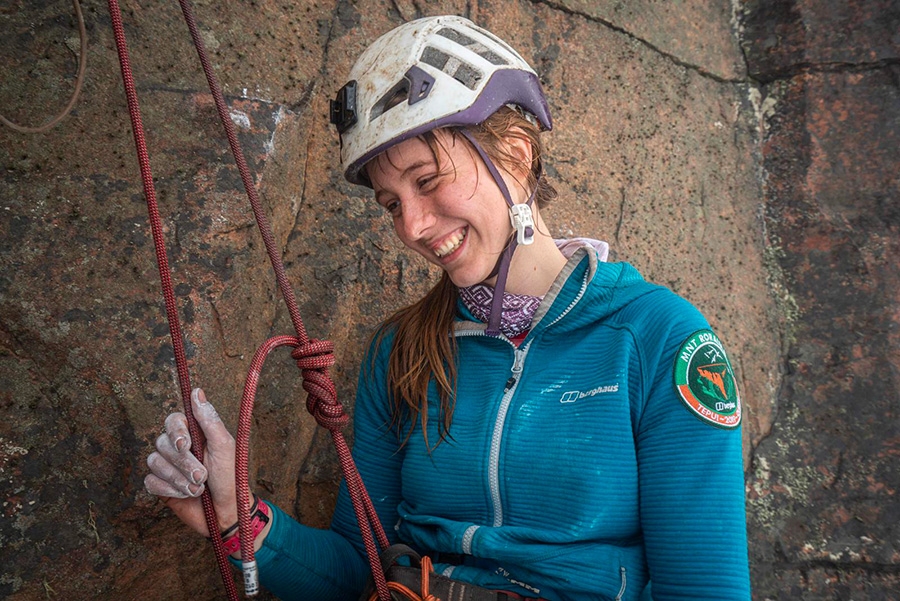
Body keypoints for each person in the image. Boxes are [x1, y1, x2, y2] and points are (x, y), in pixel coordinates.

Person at [145, 15, 751, 601]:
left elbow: (704, 588)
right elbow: (357, 571)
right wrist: (234, 513)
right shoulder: (401, 352)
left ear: (515, 153)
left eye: (428, 180)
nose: (411, 225)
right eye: (390, 203)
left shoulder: (660, 341)